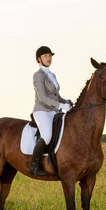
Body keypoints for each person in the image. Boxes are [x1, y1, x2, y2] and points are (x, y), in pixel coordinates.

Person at [30, 46, 72, 176]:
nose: (48, 58)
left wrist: (66, 102)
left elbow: (56, 96)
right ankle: (34, 166)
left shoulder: (52, 75)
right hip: (42, 111)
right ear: (39, 59)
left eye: (50, 56)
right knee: (47, 136)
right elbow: (43, 97)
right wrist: (60, 105)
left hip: (54, 111)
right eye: (45, 56)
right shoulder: (38, 75)